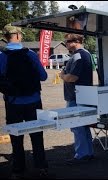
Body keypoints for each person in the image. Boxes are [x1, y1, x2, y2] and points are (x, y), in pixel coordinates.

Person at [0, 24, 48, 178]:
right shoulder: (30, 54)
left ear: (5, 37)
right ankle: (41, 168)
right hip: (33, 101)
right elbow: (44, 76)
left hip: (13, 103)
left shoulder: (2, 56)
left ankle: (18, 169)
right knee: (36, 136)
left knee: (16, 137)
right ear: (19, 36)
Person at [59, 33, 94, 164]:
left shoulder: (79, 55)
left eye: (68, 41)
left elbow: (72, 77)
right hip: (82, 96)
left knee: (77, 126)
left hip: (76, 97)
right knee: (83, 126)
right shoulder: (84, 54)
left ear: (77, 41)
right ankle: (87, 153)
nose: (66, 44)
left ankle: (82, 155)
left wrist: (62, 75)